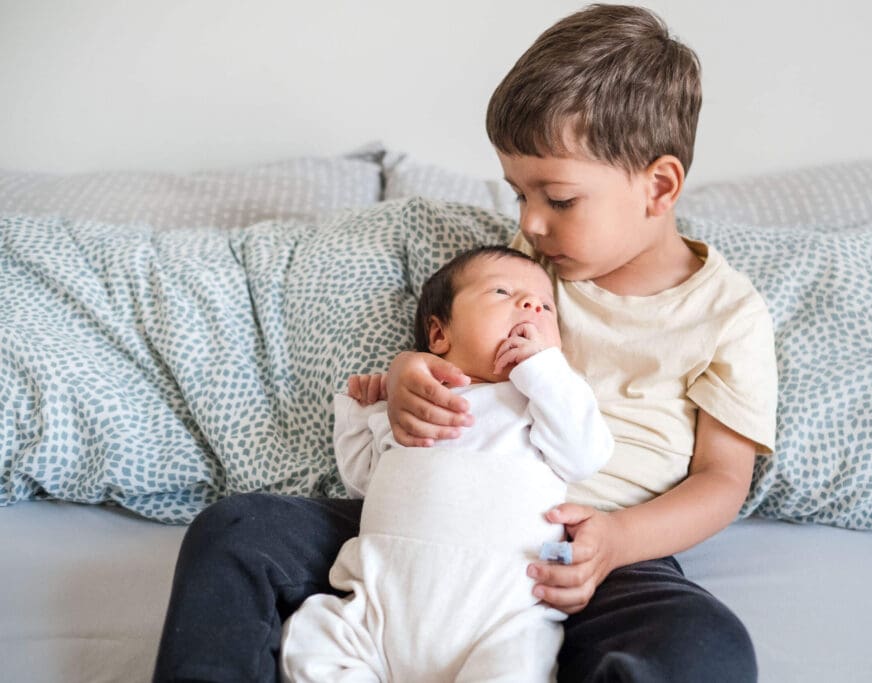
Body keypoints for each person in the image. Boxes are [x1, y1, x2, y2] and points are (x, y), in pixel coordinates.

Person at [154, 5, 777, 681]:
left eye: (558, 199)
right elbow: (452, 348)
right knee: (236, 530)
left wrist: (619, 539)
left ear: (658, 186)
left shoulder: (728, 314)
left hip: (591, 551)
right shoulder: (528, 264)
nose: (530, 222)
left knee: (708, 647)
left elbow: (722, 481)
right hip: (431, 524)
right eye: (518, 195)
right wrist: (408, 374)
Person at [278, 245, 613, 682]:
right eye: (502, 292)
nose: (532, 306)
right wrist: (361, 412)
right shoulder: (413, 406)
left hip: (501, 621)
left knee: (517, 669)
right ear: (438, 335)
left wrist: (545, 371)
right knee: (310, 641)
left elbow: (585, 455)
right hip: (379, 613)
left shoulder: (547, 403)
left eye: (546, 306)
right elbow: (362, 481)